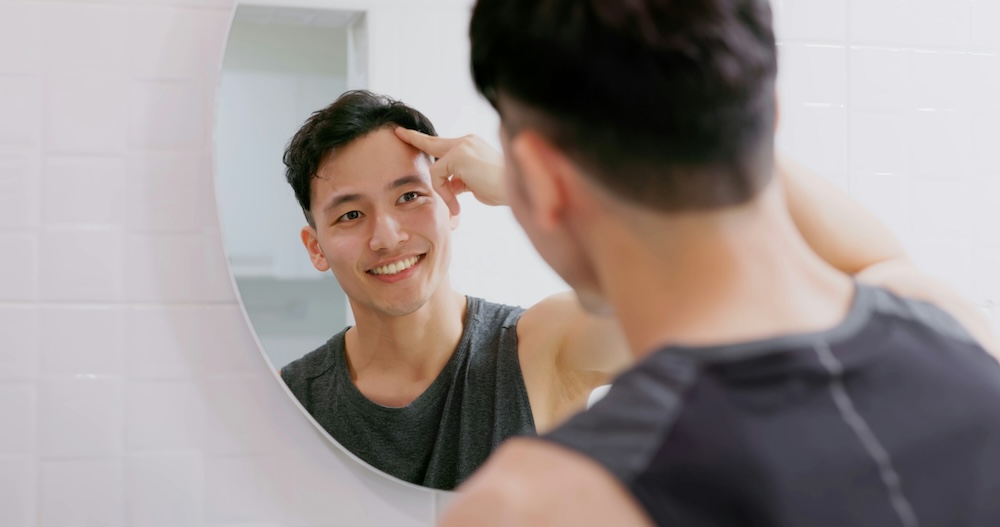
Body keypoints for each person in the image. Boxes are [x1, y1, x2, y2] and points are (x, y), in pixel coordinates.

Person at [439, 0, 1000, 525]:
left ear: (542, 178)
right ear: (769, 118)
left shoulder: (536, 504)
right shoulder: (958, 330)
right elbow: (872, 257)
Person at [278, 90, 631, 491]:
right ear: (315, 247)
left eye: (410, 196)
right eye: (351, 214)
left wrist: (523, 188)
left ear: (450, 206)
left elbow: (700, 308)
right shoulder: (287, 402)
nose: (387, 237)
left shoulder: (544, 347)